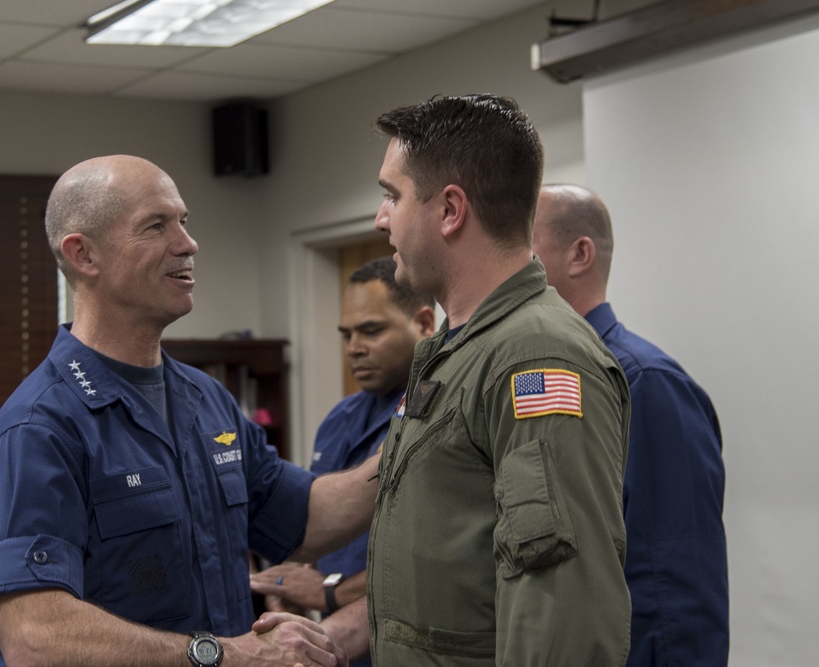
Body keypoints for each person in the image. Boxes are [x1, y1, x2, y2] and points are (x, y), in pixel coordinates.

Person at [0, 154, 380, 667]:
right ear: (83, 255)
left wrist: (412, 438)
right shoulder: (39, 429)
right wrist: (224, 655)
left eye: (183, 221)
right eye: (156, 226)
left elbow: (307, 519)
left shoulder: (205, 400)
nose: (187, 243)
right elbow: (36, 637)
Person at [259, 93, 634, 665]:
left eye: (392, 195)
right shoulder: (457, 350)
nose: (381, 217)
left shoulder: (535, 357)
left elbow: (561, 606)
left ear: (451, 210)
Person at [532, 183, 729, 666]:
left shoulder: (645, 384)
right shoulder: (538, 378)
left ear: (580, 255)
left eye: (522, 243)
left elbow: (673, 589)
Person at [250, 256, 435, 667]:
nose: (354, 347)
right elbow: (317, 525)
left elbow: (438, 564)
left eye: (371, 330)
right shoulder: (339, 419)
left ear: (424, 323)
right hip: (339, 647)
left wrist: (327, 590)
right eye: (346, 334)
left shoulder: (440, 414)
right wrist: (288, 588)